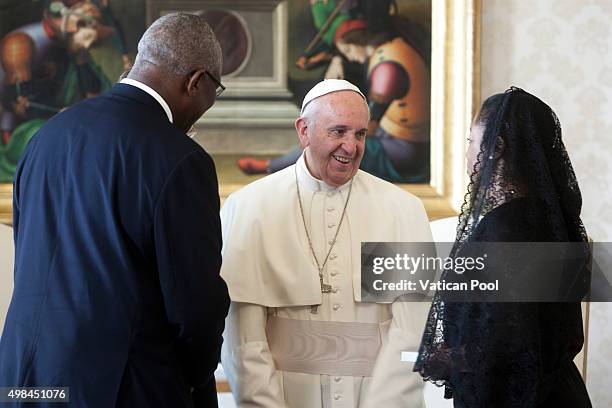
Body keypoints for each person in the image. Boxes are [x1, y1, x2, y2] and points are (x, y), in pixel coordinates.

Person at [0, 12, 229, 407]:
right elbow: (195, 308)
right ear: (195, 82)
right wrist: (192, 381)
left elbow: (32, 259)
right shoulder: (179, 159)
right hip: (117, 388)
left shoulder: (46, 136)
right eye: (216, 91)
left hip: (24, 377)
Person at [221, 79, 434, 407]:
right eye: (338, 131)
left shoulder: (401, 209)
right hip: (286, 397)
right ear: (303, 130)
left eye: (360, 134)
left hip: (376, 397)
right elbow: (243, 339)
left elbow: (412, 331)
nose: (351, 147)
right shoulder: (250, 207)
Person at [414, 87, 592, 407]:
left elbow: (507, 347)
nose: (468, 152)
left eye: (471, 141)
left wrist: (448, 357)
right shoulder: (547, 220)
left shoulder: (501, 231)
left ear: (495, 148)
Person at [238, 6, 430, 184]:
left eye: (347, 50)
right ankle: (275, 165)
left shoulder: (386, 66)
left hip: (400, 150)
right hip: (390, 138)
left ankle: (270, 166)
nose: (349, 57)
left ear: (358, 41)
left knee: (323, 143)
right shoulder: (392, 50)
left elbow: (370, 125)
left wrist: (338, 133)